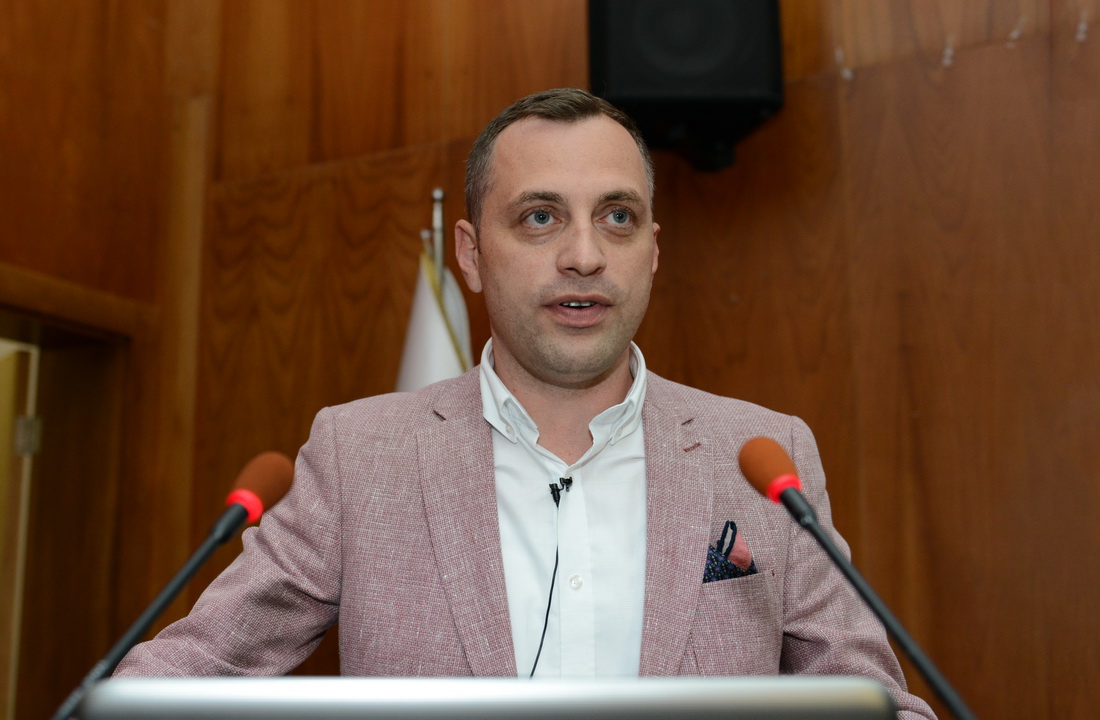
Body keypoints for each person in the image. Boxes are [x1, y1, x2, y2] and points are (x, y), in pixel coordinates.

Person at [115, 88, 936, 718]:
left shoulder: (761, 456)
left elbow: (871, 700)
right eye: (540, 217)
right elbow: (182, 681)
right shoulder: (359, 456)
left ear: (652, 251)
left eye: (617, 217)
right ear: (471, 255)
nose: (584, 255)